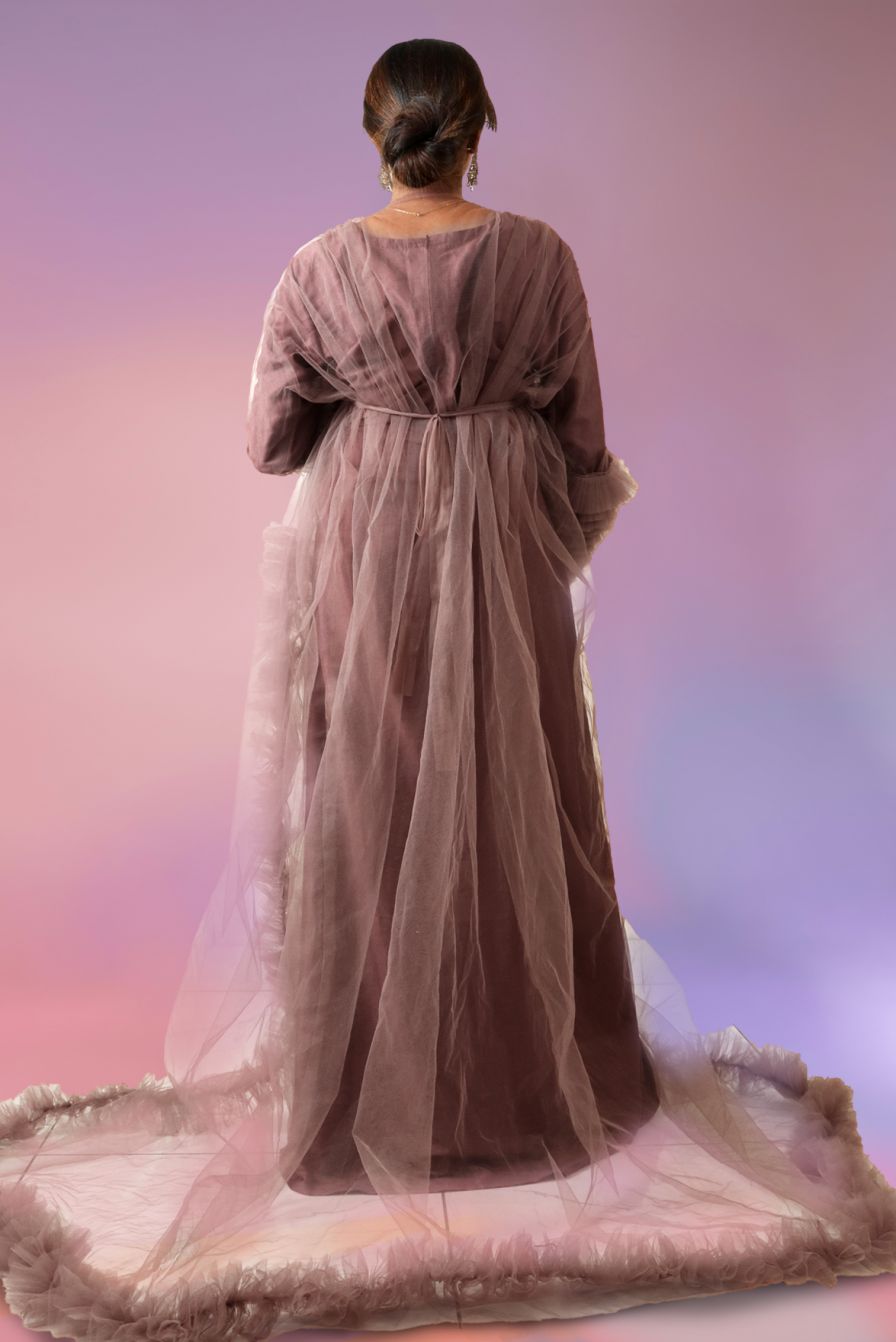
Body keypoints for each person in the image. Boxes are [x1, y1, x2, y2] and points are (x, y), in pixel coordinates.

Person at [1, 37, 894, 1339]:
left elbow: (269, 439)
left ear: (376, 135)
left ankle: (360, 1108)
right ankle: (529, 1102)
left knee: (366, 804)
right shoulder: (539, 260)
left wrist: (372, 411)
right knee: (514, 801)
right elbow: (584, 441)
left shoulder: (318, 269)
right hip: (507, 550)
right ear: (478, 130)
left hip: (364, 557)